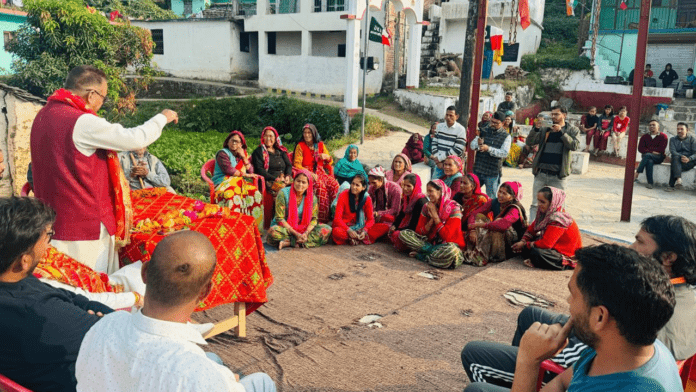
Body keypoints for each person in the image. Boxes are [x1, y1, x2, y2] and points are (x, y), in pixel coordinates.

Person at [461, 244, 681, 392]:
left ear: (600, 316)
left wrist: (528, 361)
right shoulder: (621, 348)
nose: (567, 301)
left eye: (573, 294)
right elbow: (562, 381)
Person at [75, 231, 276, 392]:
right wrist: (224, 382)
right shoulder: (200, 376)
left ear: (144, 273)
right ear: (205, 292)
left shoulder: (102, 326)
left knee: (213, 360)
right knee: (262, 381)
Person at [30, 65, 178, 273]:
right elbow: (135, 138)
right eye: (103, 97)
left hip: (51, 222)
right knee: (90, 292)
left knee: (61, 289)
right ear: (92, 95)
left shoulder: (42, 116)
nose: (102, 104)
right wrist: (163, 117)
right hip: (84, 227)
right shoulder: (82, 121)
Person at [0, 197, 113, 392]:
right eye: (47, 237)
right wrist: (97, 318)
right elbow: (113, 334)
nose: (49, 247)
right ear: (24, 261)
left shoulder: (16, 281)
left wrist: (88, 315)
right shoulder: (40, 313)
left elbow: (76, 299)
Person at [525, 105, 580, 219]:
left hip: (558, 175)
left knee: (558, 206)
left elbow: (574, 145)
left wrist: (561, 133)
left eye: (556, 114)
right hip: (541, 173)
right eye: (552, 114)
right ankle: (531, 231)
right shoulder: (546, 129)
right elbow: (530, 142)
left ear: (564, 115)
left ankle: (554, 230)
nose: (553, 116)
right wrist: (535, 128)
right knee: (536, 204)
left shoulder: (572, 130)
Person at [398, 179, 466, 269]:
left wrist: (435, 217)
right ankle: (432, 255)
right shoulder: (427, 206)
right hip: (430, 243)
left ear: (440, 191)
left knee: (452, 252)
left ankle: (424, 256)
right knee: (404, 234)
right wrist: (431, 221)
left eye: (431, 191)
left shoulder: (454, 208)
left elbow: (447, 237)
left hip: (448, 246)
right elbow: (419, 232)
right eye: (427, 191)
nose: (428, 194)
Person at [512, 187, 582, 270]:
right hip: (552, 247)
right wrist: (523, 241)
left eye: (542, 202)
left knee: (536, 252)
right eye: (538, 200)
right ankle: (536, 259)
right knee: (523, 237)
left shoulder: (559, 218)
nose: (539, 204)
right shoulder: (544, 213)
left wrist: (525, 244)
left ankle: (562, 264)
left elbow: (546, 244)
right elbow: (532, 229)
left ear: (552, 203)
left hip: (566, 253)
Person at [464, 181, 527, 267]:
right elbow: (474, 213)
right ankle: (483, 249)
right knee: (480, 216)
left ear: (512, 197)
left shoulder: (514, 208)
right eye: (499, 191)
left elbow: (502, 225)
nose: (500, 195)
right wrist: (472, 230)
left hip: (512, 242)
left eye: (504, 193)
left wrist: (481, 225)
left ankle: (498, 255)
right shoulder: (495, 202)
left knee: (497, 224)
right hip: (497, 232)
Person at [211, 130, 264, 231]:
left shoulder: (241, 155)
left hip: (237, 183)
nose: (234, 143)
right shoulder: (222, 154)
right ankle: (232, 228)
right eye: (232, 141)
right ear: (228, 142)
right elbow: (229, 170)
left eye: (237, 142)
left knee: (255, 193)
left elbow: (251, 170)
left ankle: (252, 229)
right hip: (223, 183)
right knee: (233, 194)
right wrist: (245, 174)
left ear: (241, 144)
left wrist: (244, 157)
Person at [266, 170, 332, 249]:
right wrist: (296, 234)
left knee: (327, 229)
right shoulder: (283, 193)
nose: (300, 184)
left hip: (304, 228)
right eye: (298, 181)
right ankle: (301, 242)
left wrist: (306, 233)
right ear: (294, 181)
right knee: (273, 232)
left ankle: (290, 242)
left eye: (303, 182)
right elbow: (279, 219)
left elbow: (314, 219)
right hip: (287, 227)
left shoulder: (312, 198)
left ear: (308, 184)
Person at [293, 123, 340, 223]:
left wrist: (326, 157)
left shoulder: (320, 145)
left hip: (320, 172)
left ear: (314, 133)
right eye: (305, 133)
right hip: (306, 173)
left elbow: (330, 161)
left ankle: (335, 215)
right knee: (320, 187)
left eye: (309, 133)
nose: (306, 135)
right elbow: (297, 164)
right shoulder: (300, 146)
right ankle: (322, 219)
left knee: (334, 184)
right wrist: (308, 173)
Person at [252, 126, 293, 229]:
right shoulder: (258, 152)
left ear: (275, 138)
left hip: (284, 179)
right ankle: (281, 222)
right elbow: (259, 169)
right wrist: (275, 179)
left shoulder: (280, 151)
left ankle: (294, 219)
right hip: (269, 180)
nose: (268, 138)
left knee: (299, 187)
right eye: (266, 136)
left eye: (271, 136)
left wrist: (288, 176)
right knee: (283, 191)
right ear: (263, 137)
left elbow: (289, 165)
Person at [470, 111, 512, 198]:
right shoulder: (483, 130)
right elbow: (472, 146)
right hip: (478, 169)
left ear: (503, 123)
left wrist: (488, 149)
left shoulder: (506, 136)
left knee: (491, 198)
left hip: (492, 172)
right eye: (492, 122)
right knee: (471, 194)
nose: (492, 124)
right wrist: (479, 145)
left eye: (496, 123)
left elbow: (504, 153)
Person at [332, 173, 378, 245]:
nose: (353, 187)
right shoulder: (343, 195)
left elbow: (371, 219)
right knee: (336, 232)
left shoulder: (367, 198)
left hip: (360, 226)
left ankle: (354, 238)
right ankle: (356, 238)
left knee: (381, 227)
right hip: (345, 226)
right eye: (353, 184)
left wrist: (365, 231)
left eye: (357, 185)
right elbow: (337, 219)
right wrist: (349, 230)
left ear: (363, 187)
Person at [389, 173, 428, 251]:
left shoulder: (421, 201)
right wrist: (395, 225)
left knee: (397, 235)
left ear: (415, 186)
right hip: (408, 227)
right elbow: (402, 214)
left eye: (409, 186)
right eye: (404, 185)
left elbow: (414, 224)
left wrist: (398, 230)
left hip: (418, 232)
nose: (405, 188)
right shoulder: (407, 197)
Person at [431, 106, 467, 170]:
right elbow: (434, 143)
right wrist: (437, 159)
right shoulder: (439, 126)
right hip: (438, 164)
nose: (448, 117)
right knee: (435, 180)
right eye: (447, 115)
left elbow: (458, 149)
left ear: (457, 117)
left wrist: (440, 158)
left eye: (451, 115)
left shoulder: (461, 129)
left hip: (452, 166)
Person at [635, 120, 668, 189]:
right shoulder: (644, 137)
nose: (651, 126)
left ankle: (637, 172)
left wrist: (648, 151)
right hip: (647, 157)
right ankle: (650, 183)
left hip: (658, 157)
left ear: (658, 127)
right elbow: (640, 149)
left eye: (653, 125)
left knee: (647, 155)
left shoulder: (663, 136)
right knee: (649, 161)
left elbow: (661, 150)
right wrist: (652, 151)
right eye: (650, 125)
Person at [665, 122, 696, 191]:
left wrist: (689, 158)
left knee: (674, 164)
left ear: (687, 130)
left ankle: (671, 185)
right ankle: (679, 180)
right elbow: (673, 151)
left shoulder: (692, 140)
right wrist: (682, 157)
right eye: (678, 129)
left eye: (682, 129)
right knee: (675, 157)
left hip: (688, 162)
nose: (679, 131)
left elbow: (695, 153)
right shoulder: (673, 139)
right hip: (678, 160)